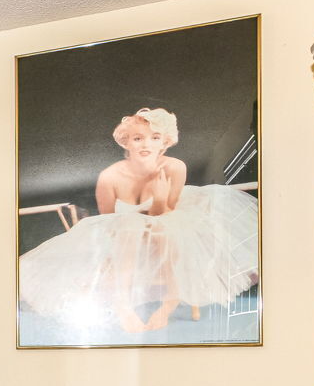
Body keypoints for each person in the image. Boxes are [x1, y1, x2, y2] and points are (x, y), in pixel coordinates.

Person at [19, 107, 259, 334]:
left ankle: (168, 305)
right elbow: (107, 223)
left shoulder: (175, 167)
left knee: (168, 230)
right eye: (137, 138)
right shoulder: (109, 177)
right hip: (126, 242)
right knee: (129, 224)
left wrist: (160, 200)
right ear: (127, 142)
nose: (146, 144)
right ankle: (123, 305)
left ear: (165, 142)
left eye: (155, 138)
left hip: (166, 231)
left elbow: (165, 213)